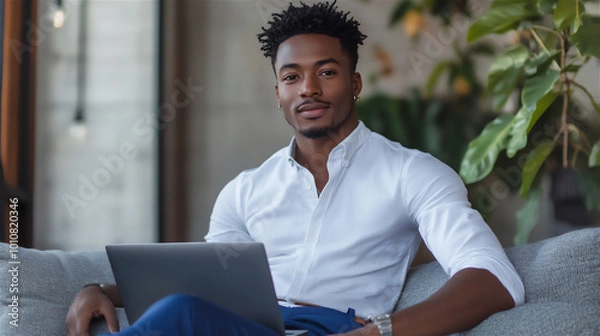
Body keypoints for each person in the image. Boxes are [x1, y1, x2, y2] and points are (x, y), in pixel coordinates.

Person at [65, 2, 524, 335]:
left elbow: (491, 275)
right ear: (278, 93)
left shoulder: (412, 174)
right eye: (291, 77)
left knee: (180, 312)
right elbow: (207, 282)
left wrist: (381, 332)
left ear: (355, 82)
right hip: (249, 327)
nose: (308, 89)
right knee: (182, 309)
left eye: (326, 72)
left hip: (333, 327)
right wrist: (99, 288)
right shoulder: (245, 191)